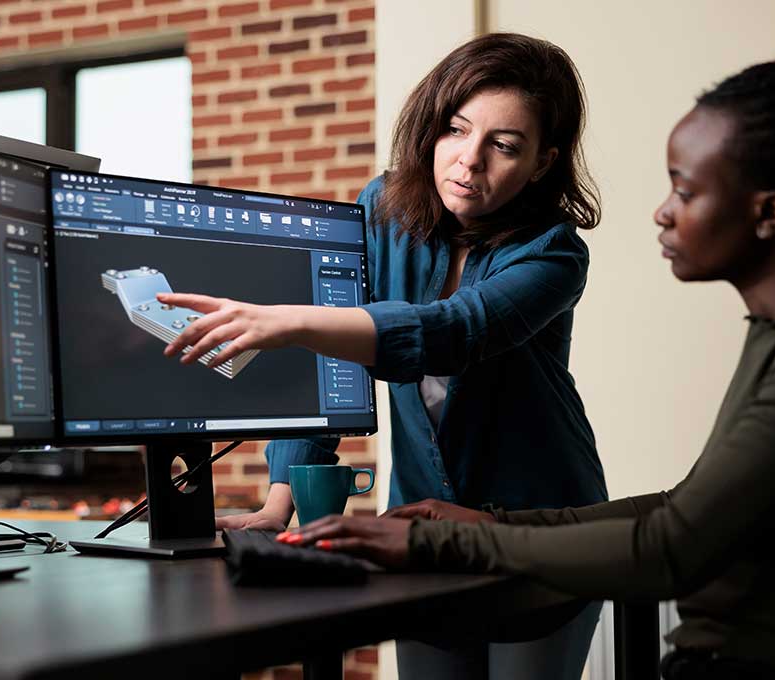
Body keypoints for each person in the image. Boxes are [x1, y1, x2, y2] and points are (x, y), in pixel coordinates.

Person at [279, 35, 775, 680]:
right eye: (456, 130)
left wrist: (449, 536)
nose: (661, 212)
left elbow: (670, 546)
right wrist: (468, 523)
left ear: (769, 213)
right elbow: (682, 506)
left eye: (684, 192)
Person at [158, 33, 607, 680]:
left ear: (541, 163)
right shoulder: (384, 209)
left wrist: (291, 320)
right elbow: (334, 358)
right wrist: (282, 497)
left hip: (541, 530)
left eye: (504, 146)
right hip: (420, 532)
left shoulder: (556, 254)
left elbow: (453, 331)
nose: (469, 160)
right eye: (455, 130)